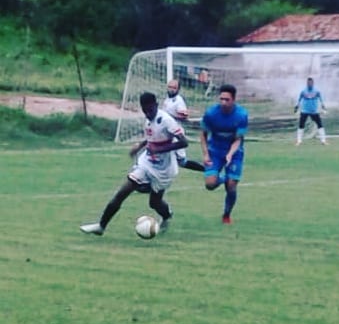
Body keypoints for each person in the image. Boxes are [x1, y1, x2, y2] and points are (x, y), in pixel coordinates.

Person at [80, 92, 188, 235]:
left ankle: (167, 215)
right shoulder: (148, 119)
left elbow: (183, 142)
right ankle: (101, 226)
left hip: (165, 169)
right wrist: (140, 146)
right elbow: (151, 138)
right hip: (147, 163)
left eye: (150, 110)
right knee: (122, 192)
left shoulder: (166, 120)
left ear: (156, 105)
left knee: (154, 203)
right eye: (145, 110)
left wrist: (160, 149)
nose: (148, 113)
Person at [200, 83, 249, 224]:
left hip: (234, 152)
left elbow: (238, 139)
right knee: (210, 184)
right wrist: (205, 154)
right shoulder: (211, 114)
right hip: (214, 150)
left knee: (231, 186)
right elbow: (203, 135)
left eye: (227, 99)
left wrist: (230, 154)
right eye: (221, 99)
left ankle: (226, 215)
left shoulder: (241, 115)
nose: (223, 102)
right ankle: (222, 178)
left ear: (233, 100)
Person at [162, 78, 205, 172]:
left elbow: (184, 116)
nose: (171, 89)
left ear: (178, 89)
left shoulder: (178, 100)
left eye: (174, 87)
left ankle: (206, 169)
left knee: (182, 161)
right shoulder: (167, 99)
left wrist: (171, 116)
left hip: (176, 132)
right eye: (170, 87)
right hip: (167, 132)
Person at [294, 77, 328, 145]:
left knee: (320, 125)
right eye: (308, 83)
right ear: (307, 83)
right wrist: (296, 107)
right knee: (301, 125)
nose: (309, 84)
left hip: (314, 111)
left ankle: (323, 141)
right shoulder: (303, 91)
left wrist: (323, 106)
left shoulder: (316, 91)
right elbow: (299, 100)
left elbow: (321, 100)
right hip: (304, 111)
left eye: (311, 82)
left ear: (313, 83)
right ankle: (299, 141)